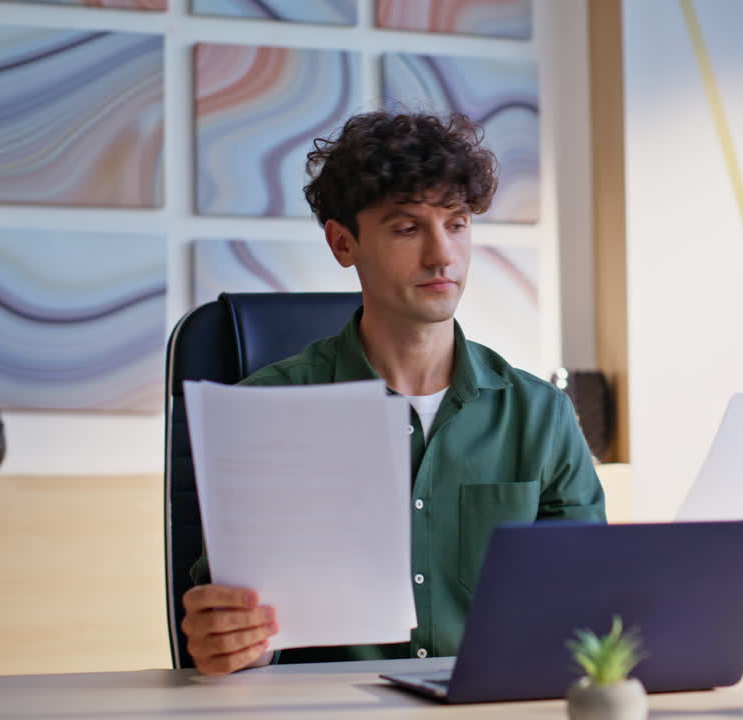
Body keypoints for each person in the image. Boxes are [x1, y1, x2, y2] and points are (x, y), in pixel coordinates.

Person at [180, 111, 606, 677]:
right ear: (343, 243)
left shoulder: (540, 415)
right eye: (408, 228)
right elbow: (235, 626)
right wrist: (232, 642)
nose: (442, 255)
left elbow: (584, 607)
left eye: (456, 224)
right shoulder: (264, 411)